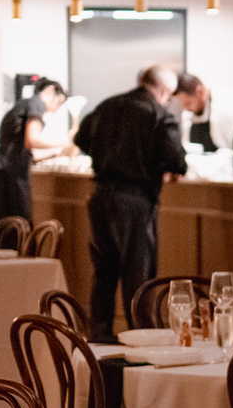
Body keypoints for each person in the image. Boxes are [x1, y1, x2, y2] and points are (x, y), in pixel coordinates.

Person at [75, 68, 186, 336]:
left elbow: (81, 138)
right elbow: (177, 161)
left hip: (100, 194)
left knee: (103, 271)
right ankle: (141, 337)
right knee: (138, 273)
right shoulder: (158, 114)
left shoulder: (107, 105)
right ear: (163, 90)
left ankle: (99, 337)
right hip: (135, 199)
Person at [0, 78, 70, 226]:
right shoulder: (37, 103)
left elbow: (26, 150)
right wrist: (63, 142)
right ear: (50, 91)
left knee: (4, 226)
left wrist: (57, 153)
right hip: (10, 173)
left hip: (2, 170)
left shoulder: (23, 104)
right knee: (18, 225)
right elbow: (32, 140)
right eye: (59, 103)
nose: (56, 110)